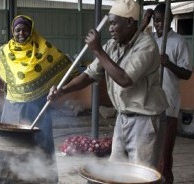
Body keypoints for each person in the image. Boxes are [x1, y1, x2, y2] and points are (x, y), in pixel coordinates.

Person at [48, 0, 168, 170]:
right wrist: (62, 90)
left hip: (145, 119)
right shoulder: (112, 46)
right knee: (116, 172)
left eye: (114, 23)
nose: (110, 28)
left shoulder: (146, 45)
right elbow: (89, 75)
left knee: (142, 175)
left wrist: (97, 50)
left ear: (129, 22)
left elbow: (125, 80)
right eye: (109, 23)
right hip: (123, 117)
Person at [0, 15, 75, 156]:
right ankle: (11, 175)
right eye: (18, 30)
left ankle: (43, 176)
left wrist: (53, 87)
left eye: (25, 30)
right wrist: (9, 81)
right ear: (12, 32)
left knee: (39, 143)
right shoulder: (5, 51)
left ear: (31, 31)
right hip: (12, 106)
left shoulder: (44, 49)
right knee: (11, 142)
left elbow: (66, 69)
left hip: (38, 107)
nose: (21, 33)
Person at [153, 3, 193, 184]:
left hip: (169, 103)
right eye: (155, 21)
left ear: (170, 20)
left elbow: (187, 73)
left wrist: (168, 63)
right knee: (151, 147)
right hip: (151, 103)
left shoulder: (178, 42)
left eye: (161, 20)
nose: (158, 24)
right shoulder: (150, 40)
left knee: (165, 148)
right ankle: (150, 183)